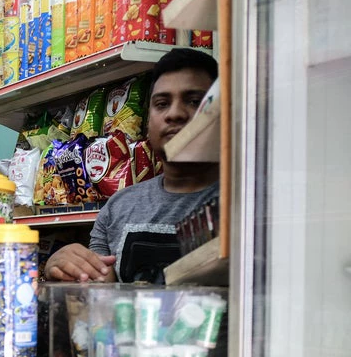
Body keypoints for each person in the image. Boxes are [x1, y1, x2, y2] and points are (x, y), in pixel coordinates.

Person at [44, 48, 220, 284]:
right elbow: (96, 297)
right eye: (162, 103)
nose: (175, 113)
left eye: (194, 101)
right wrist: (64, 268)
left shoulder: (246, 203)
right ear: (148, 123)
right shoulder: (118, 207)